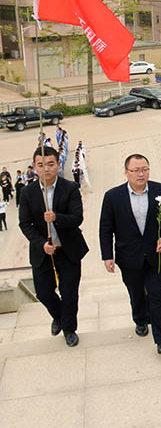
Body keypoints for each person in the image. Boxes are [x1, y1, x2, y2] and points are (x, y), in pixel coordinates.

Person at [99, 154, 161, 354]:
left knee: (157, 295)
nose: (141, 174)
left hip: (156, 256)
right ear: (126, 172)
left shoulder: (160, 190)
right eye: (136, 170)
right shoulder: (113, 196)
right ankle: (140, 319)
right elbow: (106, 228)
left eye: (145, 169)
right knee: (136, 293)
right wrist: (107, 256)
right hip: (129, 257)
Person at [18, 147, 88, 347]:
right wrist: (41, 244)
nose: (46, 169)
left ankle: (69, 329)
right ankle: (58, 316)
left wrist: (57, 217)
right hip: (43, 251)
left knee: (69, 293)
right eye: (41, 165)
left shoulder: (70, 188)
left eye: (50, 164)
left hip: (68, 250)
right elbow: (25, 224)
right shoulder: (27, 193)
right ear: (34, 167)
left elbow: (77, 218)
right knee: (43, 292)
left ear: (58, 164)